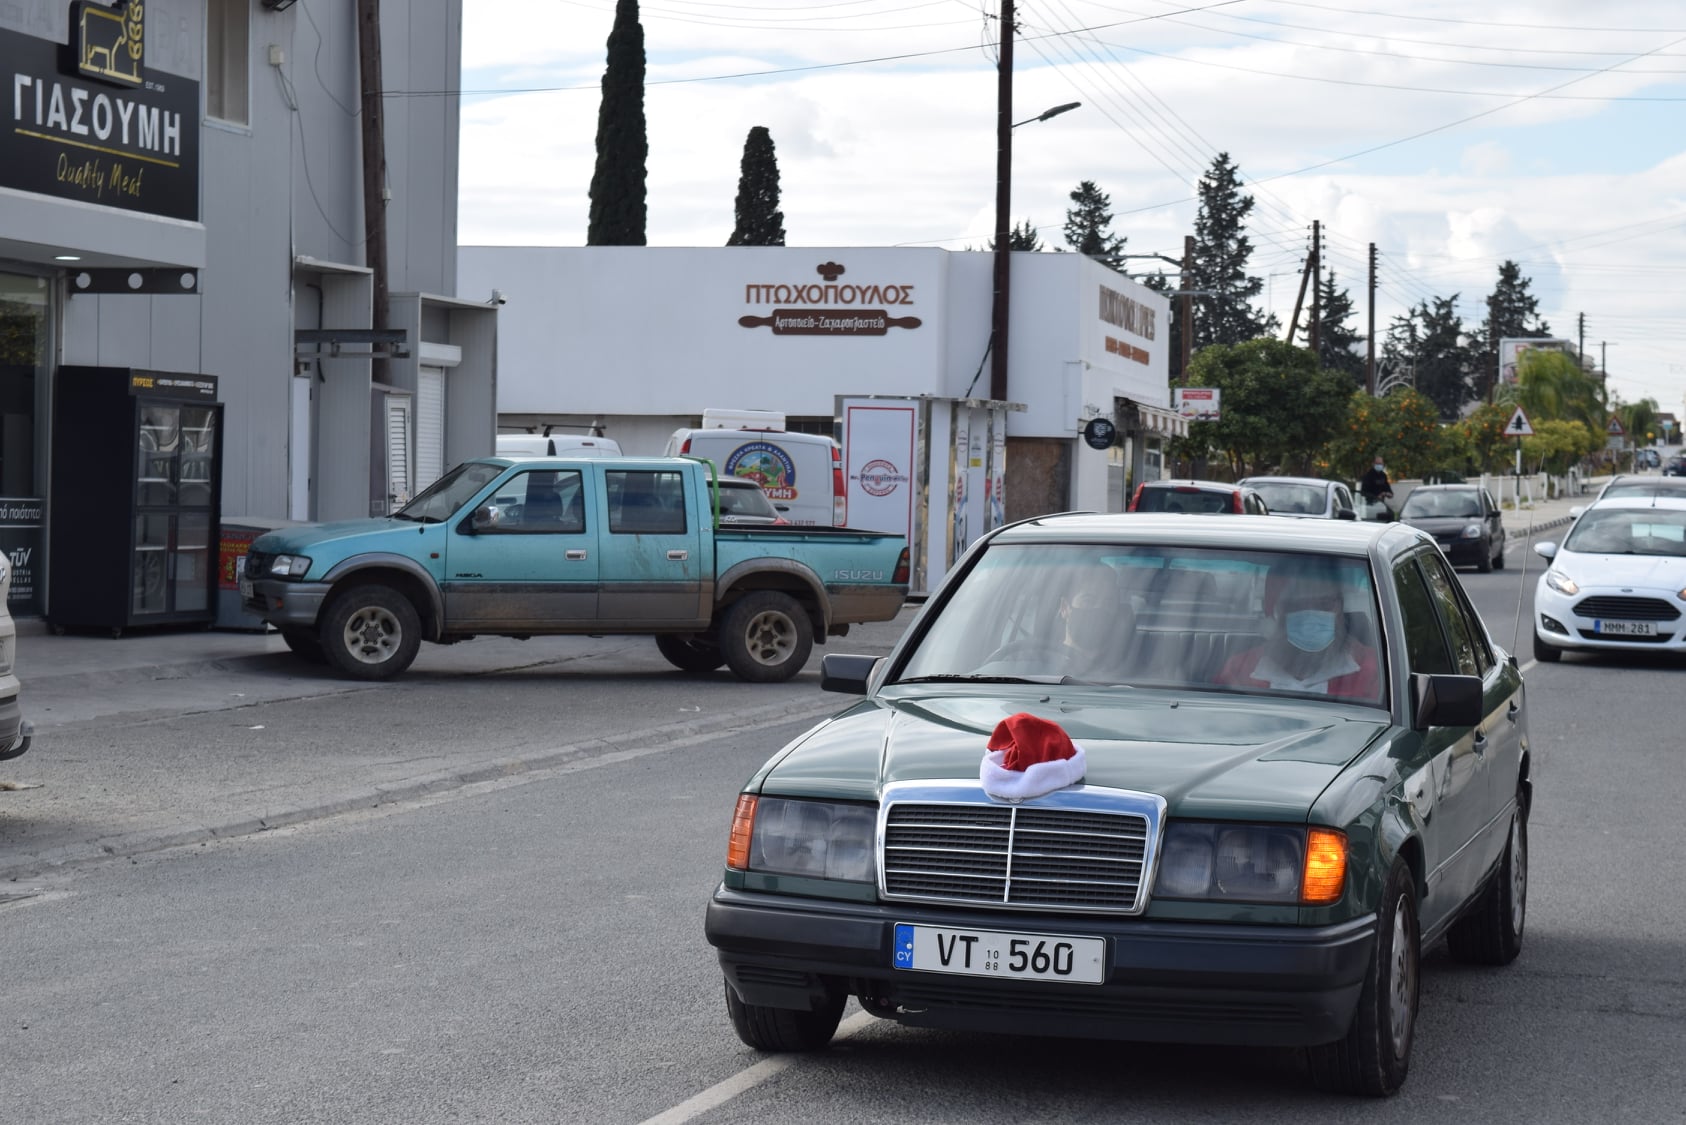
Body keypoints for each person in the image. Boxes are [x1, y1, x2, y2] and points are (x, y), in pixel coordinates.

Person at [1215, 560, 1380, 700]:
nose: (1310, 616)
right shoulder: (1240, 670)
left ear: (1340, 608)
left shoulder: (1373, 671)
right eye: (1296, 605)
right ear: (1274, 613)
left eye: (1324, 604)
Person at [1358, 456, 1394, 523]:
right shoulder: (1368, 476)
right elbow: (1363, 492)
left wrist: (1387, 493)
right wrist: (1376, 497)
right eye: (1377, 463)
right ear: (1373, 464)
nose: (1379, 465)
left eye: (1381, 464)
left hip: (1382, 505)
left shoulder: (1383, 476)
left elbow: (1388, 490)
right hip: (1370, 505)